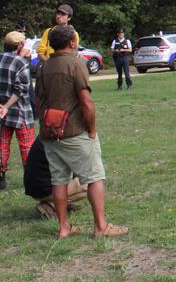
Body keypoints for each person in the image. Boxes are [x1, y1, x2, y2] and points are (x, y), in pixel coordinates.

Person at [35, 24, 128, 238]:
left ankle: (64, 227)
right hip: (75, 132)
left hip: (50, 133)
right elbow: (86, 102)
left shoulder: (43, 68)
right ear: (72, 42)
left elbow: (38, 101)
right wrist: (92, 130)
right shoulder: (76, 64)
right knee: (94, 177)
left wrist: (46, 124)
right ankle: (101, 227)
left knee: (59, 180)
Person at [0, 31, 36, 190]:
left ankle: (0, 179)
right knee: (27, 146)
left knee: (2, 145)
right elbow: (21, 90)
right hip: (20, 111)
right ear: (19, 45)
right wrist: (6, 106)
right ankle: (30, 180)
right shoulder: (20, 62)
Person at [23, 139, 88, 218]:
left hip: (34, 187)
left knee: (85, 181)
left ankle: (56, 203)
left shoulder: (48, 134)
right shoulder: (64, 138)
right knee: (89, 184)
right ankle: (52, 204)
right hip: (45, 189)